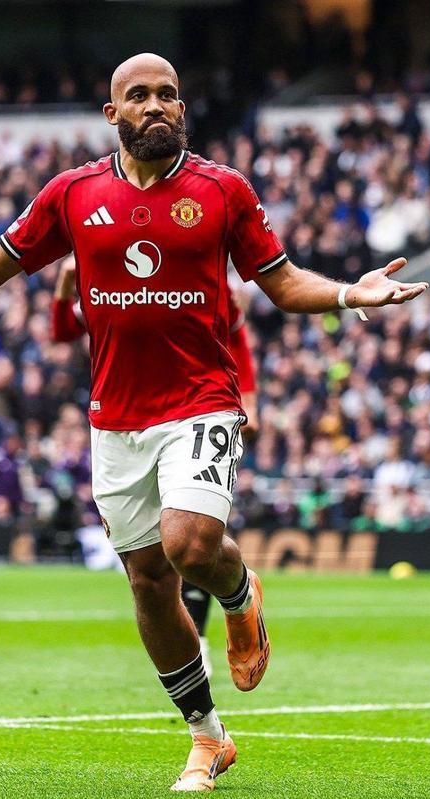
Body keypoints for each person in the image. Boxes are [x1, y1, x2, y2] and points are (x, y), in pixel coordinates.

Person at [0, 53, 428, 792]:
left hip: (201, 400)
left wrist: (351, 294)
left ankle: (239, 594)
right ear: (113, 113)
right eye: (139, 96)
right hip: (115, 417)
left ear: (183, 108)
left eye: (168, 95)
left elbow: (283, 283)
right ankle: (207, 737)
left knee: (188, 544)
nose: (155, 105)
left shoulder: (223, 190)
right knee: (149, 583)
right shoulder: (73, 194)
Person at [51, 253, 260, 677]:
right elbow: (63, 331)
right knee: (162, 550)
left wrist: (250, 402)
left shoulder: (205, 278)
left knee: (189, 536)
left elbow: (236, 336)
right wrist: (66, 282)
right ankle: (224, 610)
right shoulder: (110, 279)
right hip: (129, 420)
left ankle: (205, 630)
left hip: (199, 409)